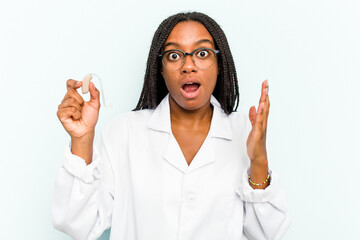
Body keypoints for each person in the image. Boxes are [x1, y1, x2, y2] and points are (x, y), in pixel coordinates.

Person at [53, 12, 290, 240]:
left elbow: (268, 234)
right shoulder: (124, 132)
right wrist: (82, 140)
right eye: (174, 55)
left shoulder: (244, 132)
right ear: (161, 69)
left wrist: (259, 162)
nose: (188, 66)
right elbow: (80, 225)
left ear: (219, 64)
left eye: (202, 53)